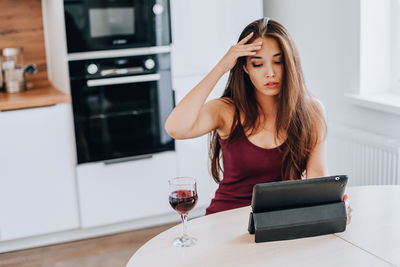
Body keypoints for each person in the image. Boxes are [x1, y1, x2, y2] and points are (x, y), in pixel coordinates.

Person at [165, 17, 352, 222]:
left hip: (276, 223)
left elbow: (316, 177)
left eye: (278, 62)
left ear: (290, 64)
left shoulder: (312, 111)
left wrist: (333, 208)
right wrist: (221, 67)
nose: (270, 73)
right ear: (245, 68)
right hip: (223, 222)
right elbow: (176, 128)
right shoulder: (227, 110)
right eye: (258, 64)